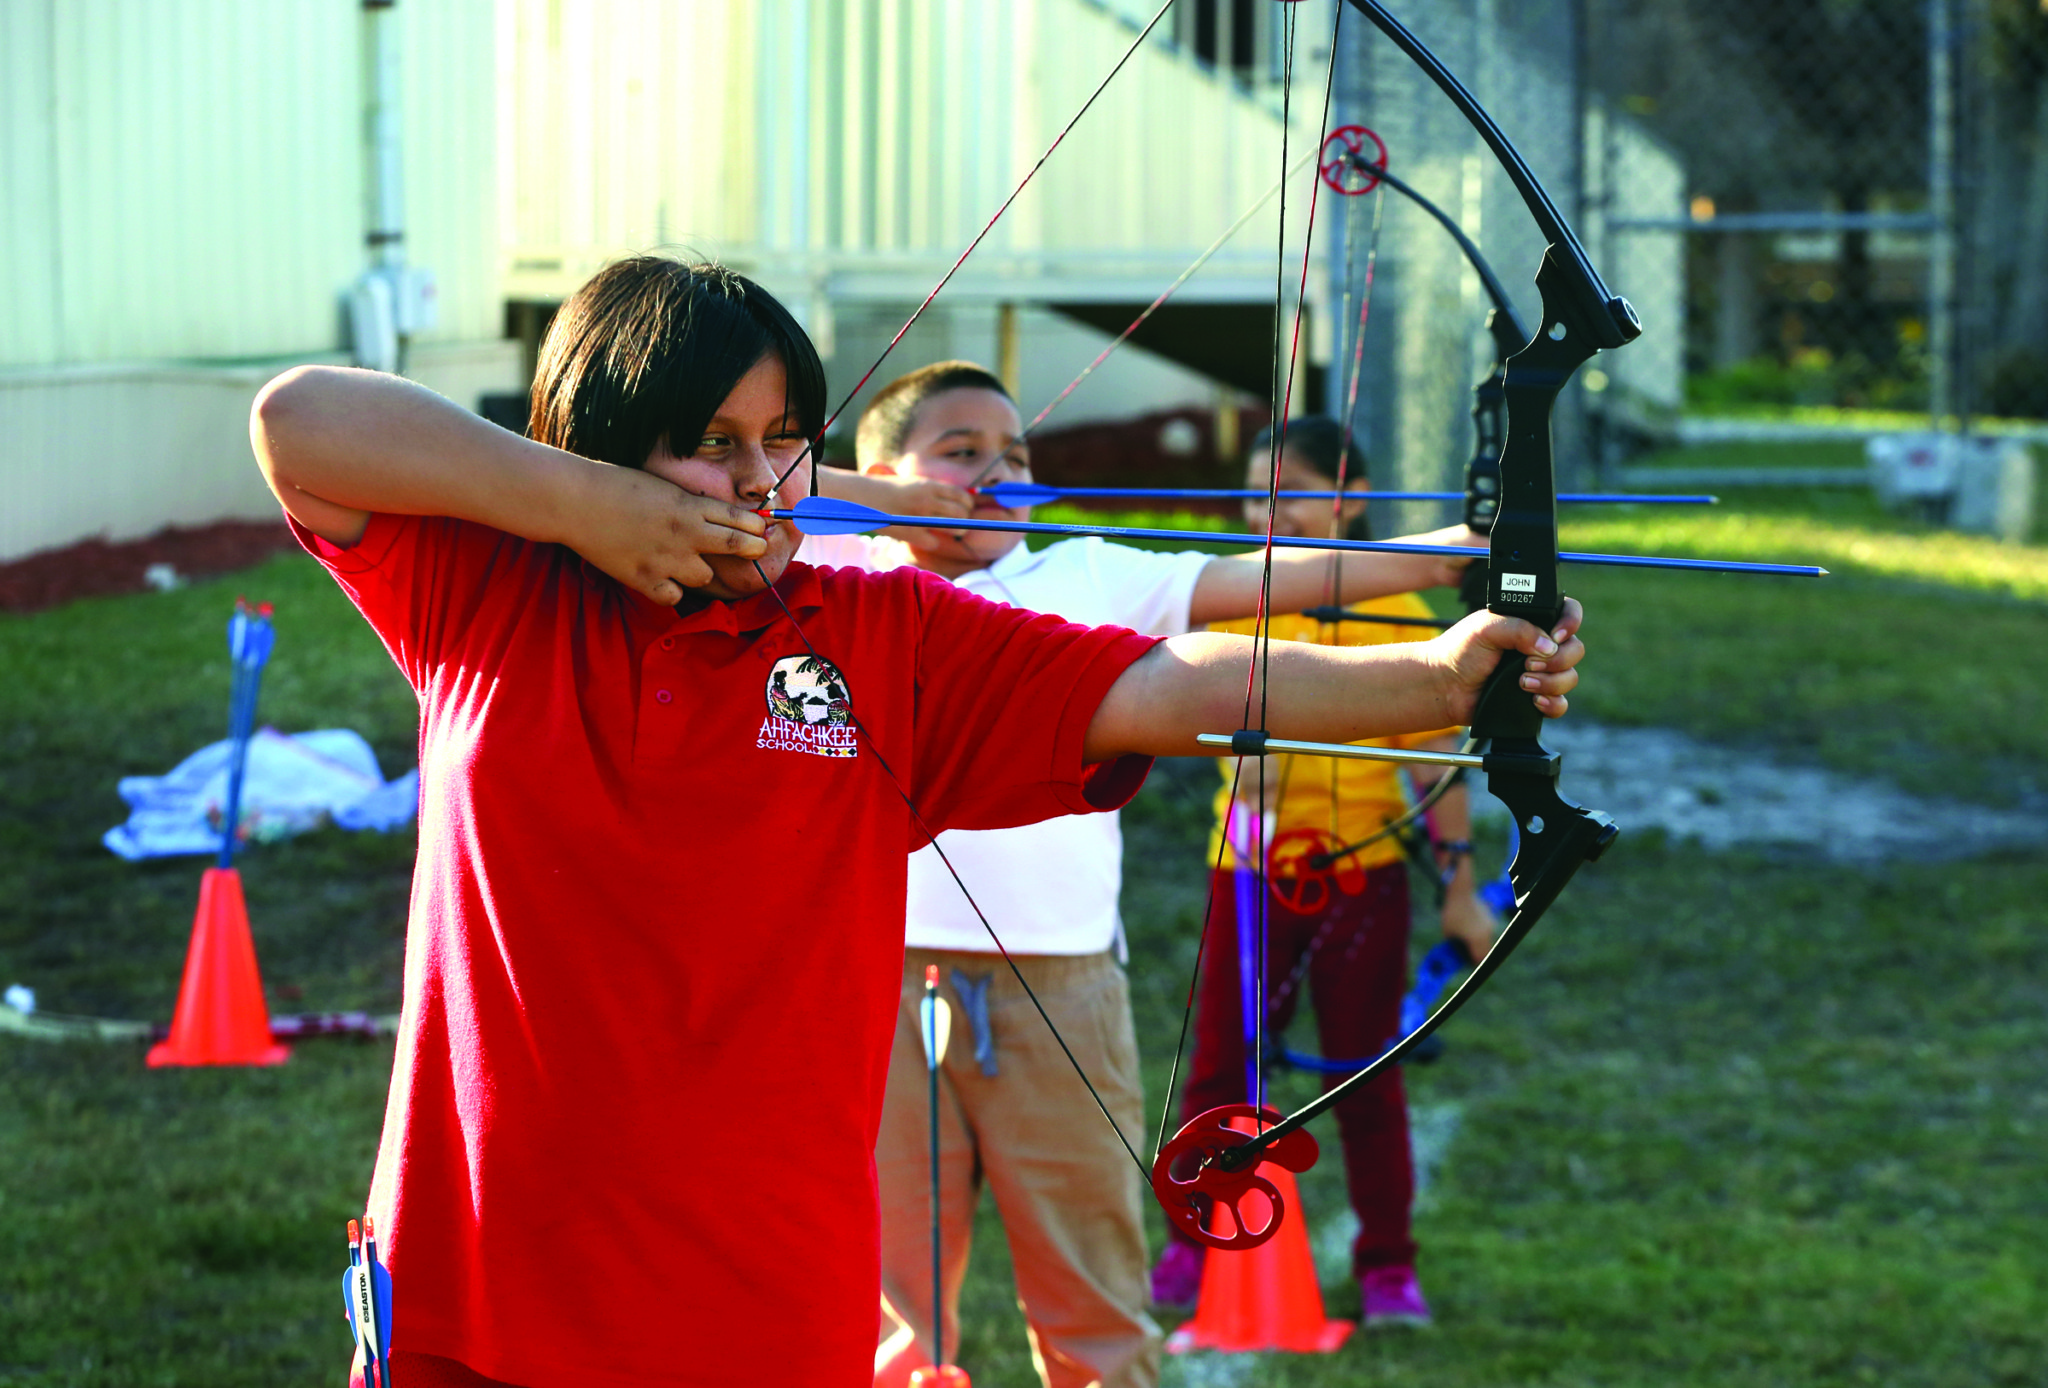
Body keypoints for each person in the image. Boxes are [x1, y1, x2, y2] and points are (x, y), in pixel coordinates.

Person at [250, 257, 1585, 1388]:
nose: (761, 480)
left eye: (785, 438)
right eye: (709, 441)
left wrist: (1437, 675)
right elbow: (299, 421)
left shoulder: (876, 635)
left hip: (761, 1301)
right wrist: (573, 507)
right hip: (483, 1275)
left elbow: (1162, 684)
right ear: (598, 445)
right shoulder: (486, 590)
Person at [795, 366, 1484, 1387]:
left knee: (1092, 1286)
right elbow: (757, 485)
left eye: (1014, 456)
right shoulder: (834, 566)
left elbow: (1267, 578)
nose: (995, 474)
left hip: (1061, 982)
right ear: (885, 471)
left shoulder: (1083, 576)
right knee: (891, 1297)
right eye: (961, 453)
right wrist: (896, 505)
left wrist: (1466, 545)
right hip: (875, 976)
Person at [1149, 418, 1493, 1330]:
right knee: (1219, 1075)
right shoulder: (1235, 597)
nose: (1269, 510)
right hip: (1246, 873)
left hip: (1359, 875)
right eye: (1256, 492)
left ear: (1353, 500)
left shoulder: (1396, 606)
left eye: (1295, 491)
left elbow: (1437, 762)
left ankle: (1388, 1265)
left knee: (1363, 1073)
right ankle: (1194, 1246)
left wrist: (1460, 889)